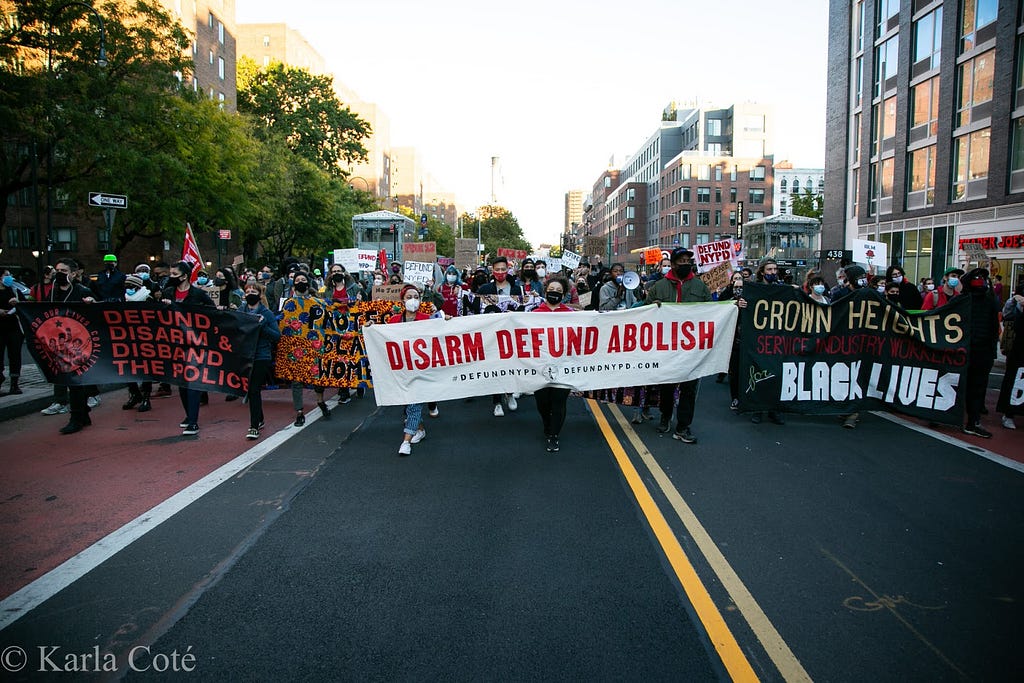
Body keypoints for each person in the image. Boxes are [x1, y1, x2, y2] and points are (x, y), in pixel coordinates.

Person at [646, 247, 710, 444]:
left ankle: (683, 426)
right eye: (680, 261)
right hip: (667, 347)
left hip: (692, 348)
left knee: (689, 388)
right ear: (672, 264)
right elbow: (644, 310)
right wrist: (652, 306)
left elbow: (712, 311)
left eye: (687, 261)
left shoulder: (700, 287)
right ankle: (665, 416)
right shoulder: (659, 286)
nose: (684, 264)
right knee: (667, 386)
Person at [160, 261, 216, 436]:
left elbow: (212, 313)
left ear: (184, 276)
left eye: (175, 274)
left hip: (195, 343)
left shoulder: (198, 295)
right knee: (181, 383)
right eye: (171, 274)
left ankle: (193, 421)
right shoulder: (168, 292)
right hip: (175, 343)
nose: (172, 277)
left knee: (193, 381)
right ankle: (188, 415)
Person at [49, 259, 98, 433]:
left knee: (75, 380)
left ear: (74, 273)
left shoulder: (81, 291)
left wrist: (91, 302)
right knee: (70, 380)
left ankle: (76, 417)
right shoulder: (53, 292)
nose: (59, 273)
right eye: (57, 270)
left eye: (63, 270)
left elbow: (96, 311)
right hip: (60, 343)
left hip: (79, 342)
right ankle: (83, 413)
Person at [476, 256, 523, 416]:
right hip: (492, 336)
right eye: (497, 269)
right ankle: (496, 401)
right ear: (492, 270)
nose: (501, 272)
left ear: (508, 270)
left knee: (510, 365)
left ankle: (509, 394)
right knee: (495, 367)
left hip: (511, 335)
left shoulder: (517, 289)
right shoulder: (484, 290)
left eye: (503, 269)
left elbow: (523, 310)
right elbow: (476, 311)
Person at [532, 276, 574, 452]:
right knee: (542, 401)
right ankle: (547, 424)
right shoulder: (534, 314)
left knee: (559, 401)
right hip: (539, 364)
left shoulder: (571, 314)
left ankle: (554, 435)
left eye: (558, 291)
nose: (554, 293)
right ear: (545, 291)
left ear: (563, 294)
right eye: (551, 290)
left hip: (562, 364)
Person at [388, 284, 432, 455]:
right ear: (402, 300)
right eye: (409, 297)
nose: (413, 300)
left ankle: (406, 440)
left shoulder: (427, 319)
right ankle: (420, 429)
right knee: (409, 403)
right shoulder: (393, 321)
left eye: (416, 297)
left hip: (421, 370)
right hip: (402, 371)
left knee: (414, 403)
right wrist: (370, 327)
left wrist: (447, 320)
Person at [283, 270, 331, 427]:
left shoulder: (318, 302)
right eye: (298, 280)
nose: (300, 282)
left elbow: (329, 317)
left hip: (314, 344)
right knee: (296, 380)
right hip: (295, 345)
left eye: (303, 279)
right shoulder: (288, 303)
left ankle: (320, 400)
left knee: (317, 375)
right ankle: (299, 411)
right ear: (294, 284)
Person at [960, 268, 1001, 438]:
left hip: (978, 352)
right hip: (968, 351)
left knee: (974, 388)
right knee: (968, 387)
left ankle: (972, 421)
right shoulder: (963, 300)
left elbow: (994, 328)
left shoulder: (988, 301)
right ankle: (971, 421)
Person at [748, 259, 786, 426]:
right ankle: (757, 409)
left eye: (775, 269)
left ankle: (773, 410)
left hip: (776, 337)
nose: (773, 272)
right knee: (758, 373)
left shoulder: (781, 288)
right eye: (769, 269)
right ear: (762, 272)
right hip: (758, 336)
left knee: (776, 374)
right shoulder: (753, 289)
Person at [241, 282, 281, 439]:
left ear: (259, 294)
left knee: (254, 389)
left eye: (253, 291)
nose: (250, 293)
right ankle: (260, 417)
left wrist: (262, 326)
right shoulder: (241, 311)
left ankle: (253, 426)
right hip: (245, 355)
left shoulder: (267, 314)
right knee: (251, 390)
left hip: (261, 355)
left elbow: (277, 336)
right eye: (247, 291)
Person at [122, 273, 154, 412]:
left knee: (146, 368)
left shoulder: (148, 298)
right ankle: (135, 394)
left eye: (131, 286)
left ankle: (146, 398)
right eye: (126, 286)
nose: (128, 289)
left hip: (145, 338)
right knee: (128, 368)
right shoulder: (123, 299)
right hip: (128, 337)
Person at [997, 283, 1024, 429]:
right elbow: (1006, 314)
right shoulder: (1016, 304)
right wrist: (1016, 300)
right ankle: (1008, 414)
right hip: (1019, 349)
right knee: (1013, 380)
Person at [0, 269, 28, 395]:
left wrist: (18, 304)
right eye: (6, 275)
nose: (9, 277)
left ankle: (14, 384)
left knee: (15, 355)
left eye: (10, 275)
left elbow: (25, 306)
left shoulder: (15, 291)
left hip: (14, 328)